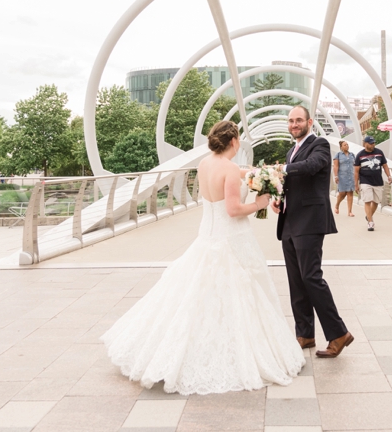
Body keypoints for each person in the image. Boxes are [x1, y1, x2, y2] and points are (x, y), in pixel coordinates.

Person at [101, 120, 304, 394]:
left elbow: (228, 185)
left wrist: (257, 172)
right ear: (233, 141)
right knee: (239, 296)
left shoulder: (205, 164)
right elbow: (233, 209)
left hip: (207, 237)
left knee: (196, 295)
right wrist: (260, 203)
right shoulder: (230, 170)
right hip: (232, 239)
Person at [271, 105, 353, 358]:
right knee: (296, 281)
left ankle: (338, 333)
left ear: (309, 122)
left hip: (310, 221)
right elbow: (293, 183)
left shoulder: (320, 145)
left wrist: (282, 169)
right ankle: (304, 334)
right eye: (290, 121)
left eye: (298, 120)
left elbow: (311, 166)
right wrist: (279, 198)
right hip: (289, 221)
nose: (294, 124)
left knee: (311, 277)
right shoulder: (290, 151)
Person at [354, 135, 392, 232]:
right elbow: (356, 171)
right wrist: (356, 184)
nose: (373, 145)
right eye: (370, 143)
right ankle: (370, 222)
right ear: (365, 144)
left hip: (378, 181)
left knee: (375, 202)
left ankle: (368, 215)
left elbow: (385, 165)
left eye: (373, 143)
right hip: (365, 181)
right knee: (367, 201)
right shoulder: (360, 155)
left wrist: (389, 176)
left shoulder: (379, 153)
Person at [333, 140, 356, 216]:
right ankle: (337, 205)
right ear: (341, 147)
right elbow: (335, 166)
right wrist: (336, 176)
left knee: (350, 192)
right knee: (342, 193)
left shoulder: (352, 155)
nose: (347, 146)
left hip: (351, 176)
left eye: (347, 144)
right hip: (341, 177)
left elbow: (355, 166)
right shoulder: (338, 155)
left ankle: (350, 211)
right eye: (345, 145)